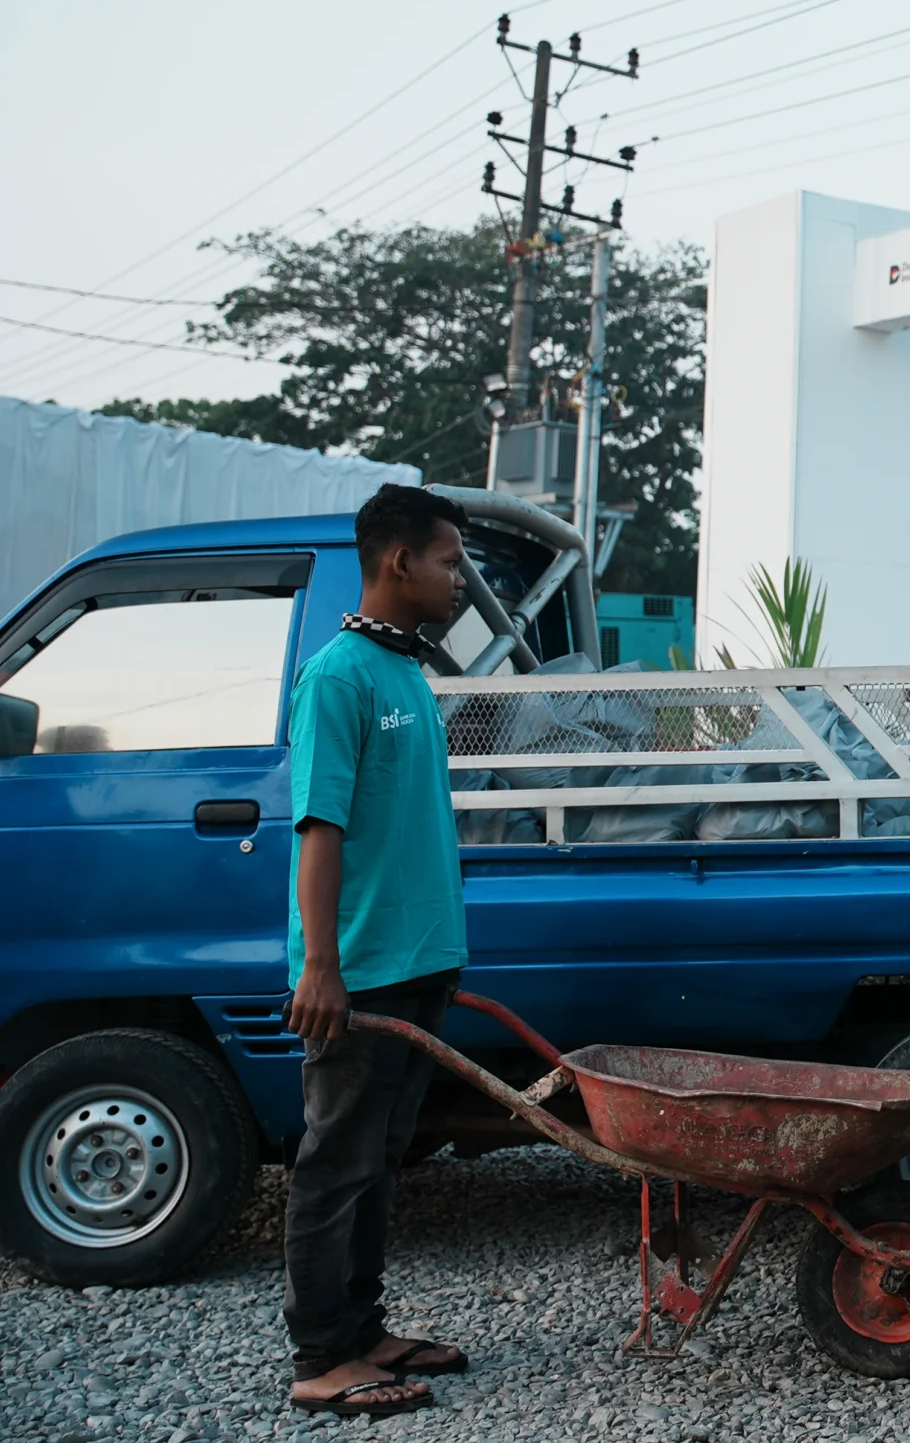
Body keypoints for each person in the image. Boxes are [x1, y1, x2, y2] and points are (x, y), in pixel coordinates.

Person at [279, 485, 476, 1419]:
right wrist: (322, 966)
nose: (461, 582)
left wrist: (444, 951)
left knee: (378, 1158)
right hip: (357, 970)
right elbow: (320, 827)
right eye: (448, 562)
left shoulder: (408, 672)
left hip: (418, 961)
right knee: (335, 1161)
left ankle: (364, 1332)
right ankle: (322, 1358)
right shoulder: (339, 676)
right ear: (399, 561)